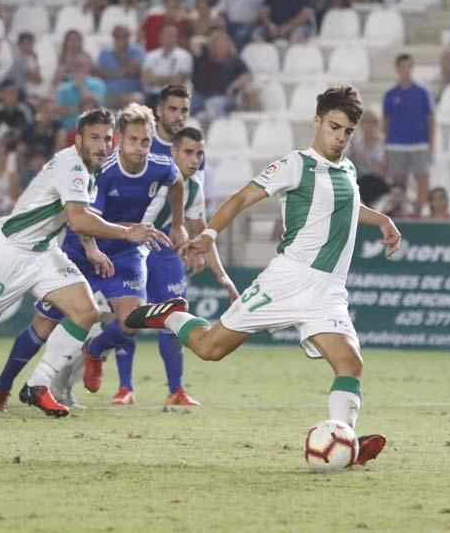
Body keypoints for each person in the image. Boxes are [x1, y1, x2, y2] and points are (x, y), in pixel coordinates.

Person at [125, 85, 399, 467]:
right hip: (287, 281)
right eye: (334, 127)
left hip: (328, 290)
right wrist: (208, 234)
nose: (340, 138)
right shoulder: (295, 164)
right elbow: (239, 198)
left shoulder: (348, 169)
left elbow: (348, 207)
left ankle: (342, 439)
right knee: (209, 348)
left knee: (350, 364)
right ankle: (170, 314)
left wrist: (382, 219)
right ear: (317, 122)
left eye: (348, 132)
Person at [0, 108, 170, 416]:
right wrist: (128, 232)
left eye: (106, 138)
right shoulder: (72, 165)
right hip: (10, 253)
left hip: (44, 252)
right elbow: (77, 219)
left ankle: (38, 384)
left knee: (85, 312)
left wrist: (90, 248)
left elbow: (79, 213)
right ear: (78, 139)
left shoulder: (93, 169)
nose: (102, 145)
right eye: (94, 138)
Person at [0, 104, 184, 412]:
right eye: (133, 140)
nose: (140, 148)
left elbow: (177, 182)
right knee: (43, 325)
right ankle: (2, 387)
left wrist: (180, 223)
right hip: (82, 249)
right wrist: (93, 249)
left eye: (145, 141)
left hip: (126, 251)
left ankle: (95, 349)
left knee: (132, 320)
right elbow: (84, 218)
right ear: (119, 139)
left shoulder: (161, 166)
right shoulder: (103, 170)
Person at [132, 125, 239, 406]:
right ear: (173, 152)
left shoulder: (194, 188)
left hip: (163, 254)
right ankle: (113, 376)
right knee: (120, 324)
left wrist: (223, 277)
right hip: (125, 251)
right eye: (189, 153)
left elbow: (204, 235)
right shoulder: (152, 177)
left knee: (174, 316)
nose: (195, 160)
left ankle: (176, 390)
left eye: (200, 154)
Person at [382, 54, 434, 212]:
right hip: (396, 144)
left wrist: (431, 145)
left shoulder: (422, 92)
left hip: (419, 143)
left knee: (422, 178)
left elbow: (431, 119)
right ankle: (401, 211)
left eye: (409, 67)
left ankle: (419, 211)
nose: (406, 70)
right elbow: (386, 121)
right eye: (402, 67)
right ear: (397, 69)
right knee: (399, 181)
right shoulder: (390, 93)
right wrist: (386, 146)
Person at [190, 30, 251, 119]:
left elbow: (247, 74)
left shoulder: (234, 60)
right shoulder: (204, 56)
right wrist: (211, 40)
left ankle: (220, 131)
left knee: (213, 105)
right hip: (200, 95)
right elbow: (194, 42)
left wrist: (235, 84)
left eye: (222, 44)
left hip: (223, 97)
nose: (218, 47)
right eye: (216, 45)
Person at [142, 22, 194, 104]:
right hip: (153, 96)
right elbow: (146, 80)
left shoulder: (184, 56)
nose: (169, 38)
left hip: (175, 96)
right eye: (167, 35)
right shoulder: (151, 55)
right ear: (160, 36)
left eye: (173, 35)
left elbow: (177, 82)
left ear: (177, 38)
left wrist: (155, 79)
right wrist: (168, 79)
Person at [57, 52, 107, 129]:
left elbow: (97, 104)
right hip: (69, 129)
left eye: (81, 65)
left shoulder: (98, 84)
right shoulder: (63, 88)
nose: (79, 69)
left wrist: (81, 87)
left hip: (92, 128)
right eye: (76, 66)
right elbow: (60, 110)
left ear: (88, 66)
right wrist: (81, 107)